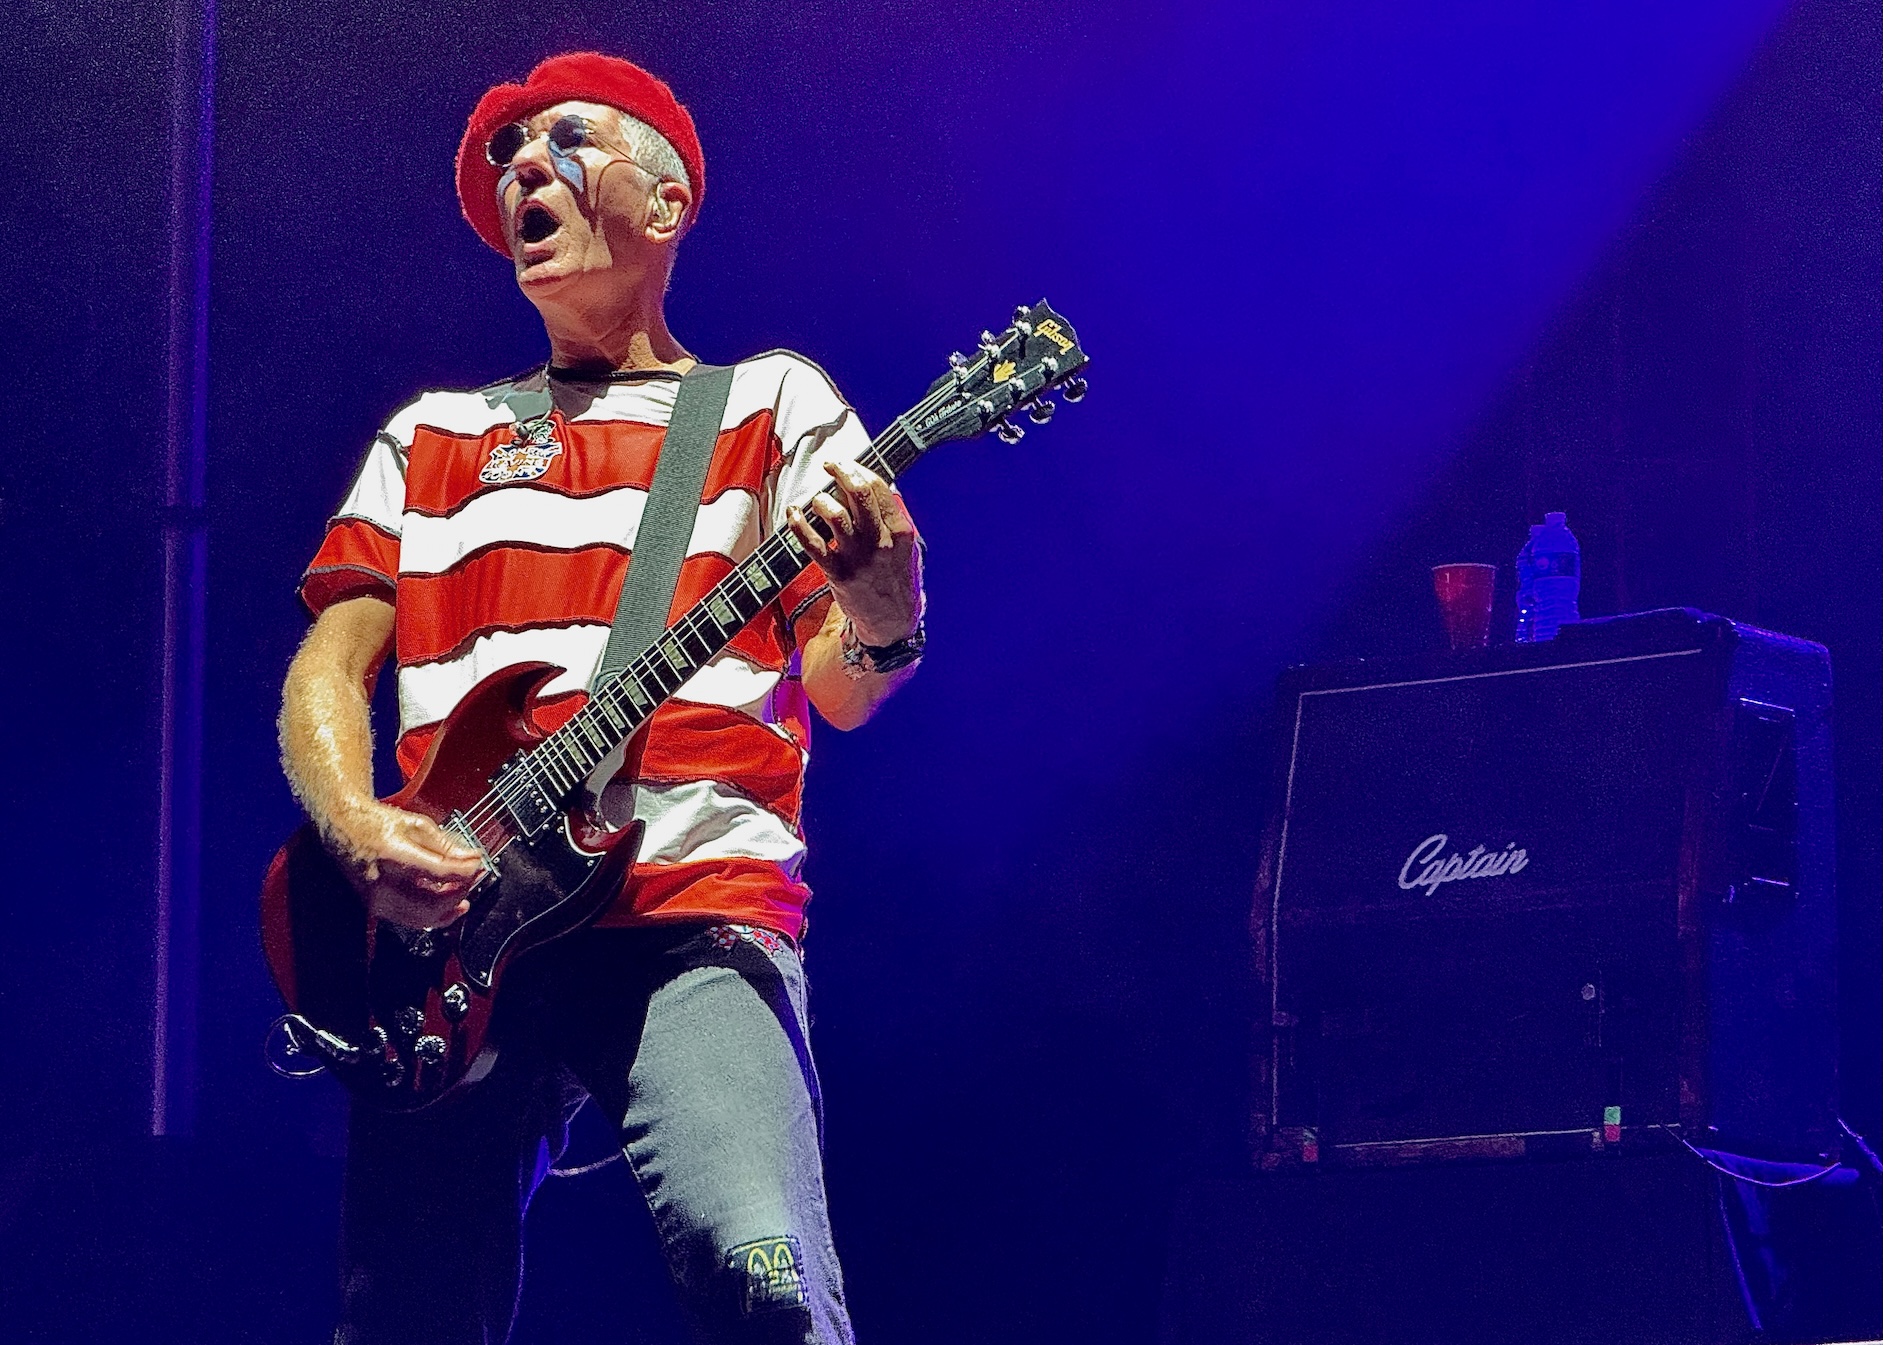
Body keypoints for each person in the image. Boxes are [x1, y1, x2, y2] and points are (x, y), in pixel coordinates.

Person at [277, 51, 924, 1344]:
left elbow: (843, 691)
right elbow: (329, 668)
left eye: (565, 141)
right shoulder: (432, 433)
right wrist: (356, 825)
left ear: (668, 204)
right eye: (509, 160)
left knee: (759, 1272)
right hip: (452, 938)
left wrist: (887, 612)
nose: (524, 166)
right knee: (402, 1319)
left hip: (693, 913)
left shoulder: (769, 404)